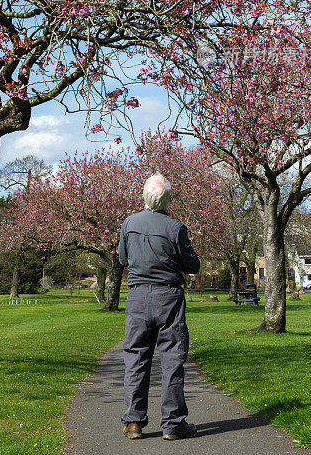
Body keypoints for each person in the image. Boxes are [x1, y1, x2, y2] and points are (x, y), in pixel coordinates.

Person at [118, 172, 200, 441]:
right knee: (172, 359)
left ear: (144, 195)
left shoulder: (128, 224)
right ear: (168, 198)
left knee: (136, 358)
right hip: (168, 298)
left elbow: (123, 259)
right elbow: (193, 265)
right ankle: (173, 424)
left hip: (138, 297)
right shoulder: (175, 227)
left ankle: (133, 422)